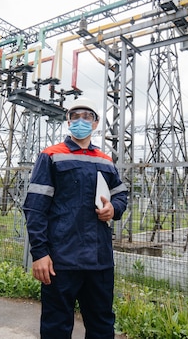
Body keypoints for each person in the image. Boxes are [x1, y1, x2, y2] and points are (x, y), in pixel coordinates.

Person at [23, 97, 128, 339]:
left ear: (96, 123)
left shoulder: (105, 160)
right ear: (68, 121)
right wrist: (39, 253)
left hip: (99, 260)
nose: (81, 120)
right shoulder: (50, 155)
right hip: (61, 260)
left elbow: (121, 195)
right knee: (56, 327)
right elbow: (35, 208)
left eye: (87, 116)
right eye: (75, 116)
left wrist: (114, 208)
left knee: (102, 325)